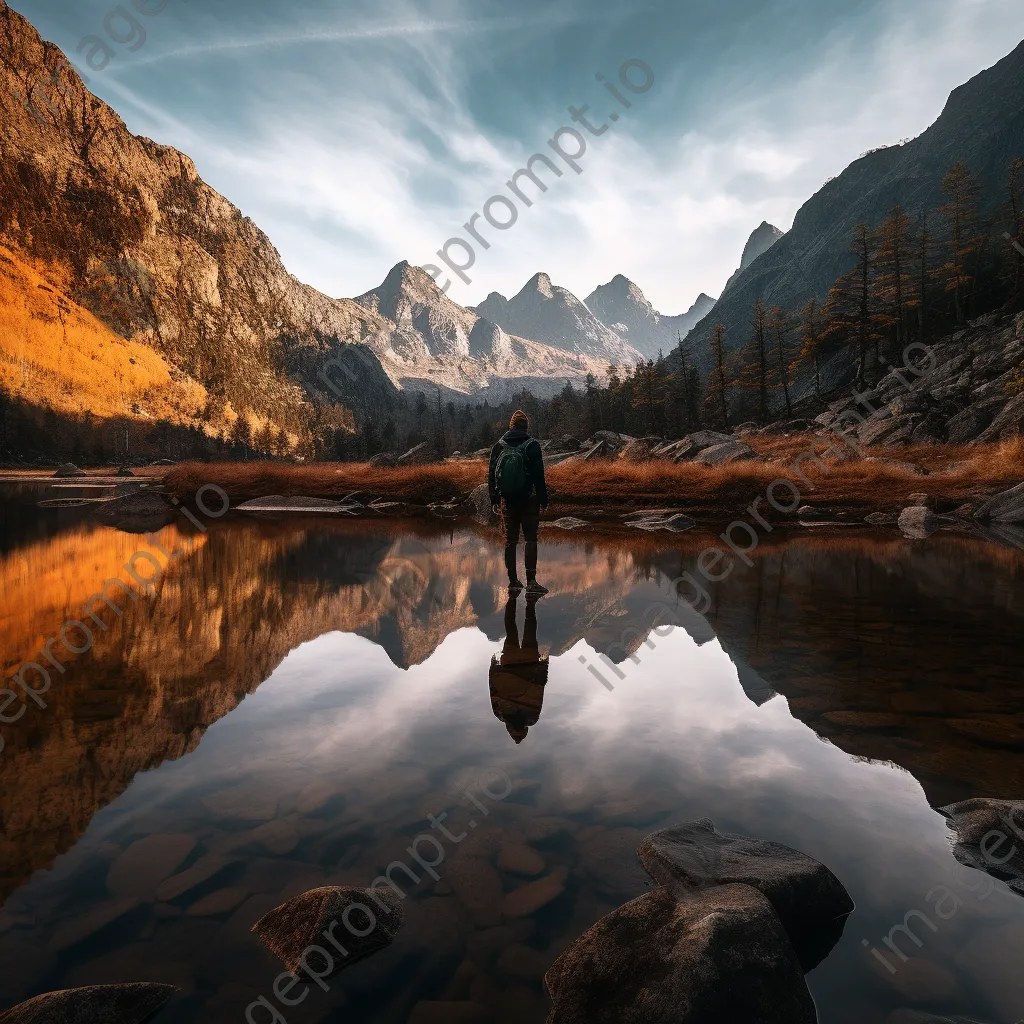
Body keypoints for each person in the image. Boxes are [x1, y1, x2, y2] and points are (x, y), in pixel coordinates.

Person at [488, 410, 549, 595]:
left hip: (507, 500)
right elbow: (539, 476)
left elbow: (492, 475)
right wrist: (543, 498)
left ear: (511, 425)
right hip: (529, 500)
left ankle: (513, 581)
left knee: (510, 541)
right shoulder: (532, 446)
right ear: (526, 426)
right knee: (531, 539)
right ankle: (531, 582)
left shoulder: (498, 446)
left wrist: (494, 498)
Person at [488, 592, 549, 743]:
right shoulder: (500, 713)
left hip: (530, 663)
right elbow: (493, 687)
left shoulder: (532, 716)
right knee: (511, 629)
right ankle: (512, 598)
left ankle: (530, 602)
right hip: (509, 664)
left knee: (530, 629)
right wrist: (494, 665)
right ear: (510, 729)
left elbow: (538, 688)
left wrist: (543, 665)